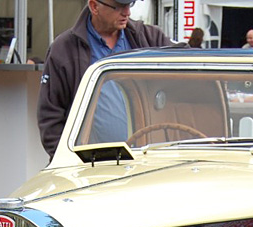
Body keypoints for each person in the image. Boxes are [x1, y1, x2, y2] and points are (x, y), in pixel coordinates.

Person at [37, 0, 170, 158]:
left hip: (146, 162)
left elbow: (193, 66)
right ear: (94, 6)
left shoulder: (150, 39)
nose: (127, 12)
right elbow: (50, 116)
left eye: (130, 4)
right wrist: (69, 160)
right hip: (92, 169)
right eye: (119, 7)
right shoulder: (64, 49)